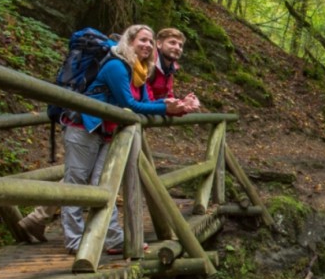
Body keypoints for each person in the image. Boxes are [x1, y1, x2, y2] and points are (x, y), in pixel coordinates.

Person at [19, 26, 199, 243]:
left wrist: (177, 105)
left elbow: (146, 103)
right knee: (75, 184)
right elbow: (128, 104)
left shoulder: (139, 70)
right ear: (129, 42)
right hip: (84, 127)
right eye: (143, 40)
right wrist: (166, 108)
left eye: (150, 42)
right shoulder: (116, 65)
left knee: (104, 185)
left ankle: (112, 238)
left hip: (105, 131)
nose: (148, 45)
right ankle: (75, 240)